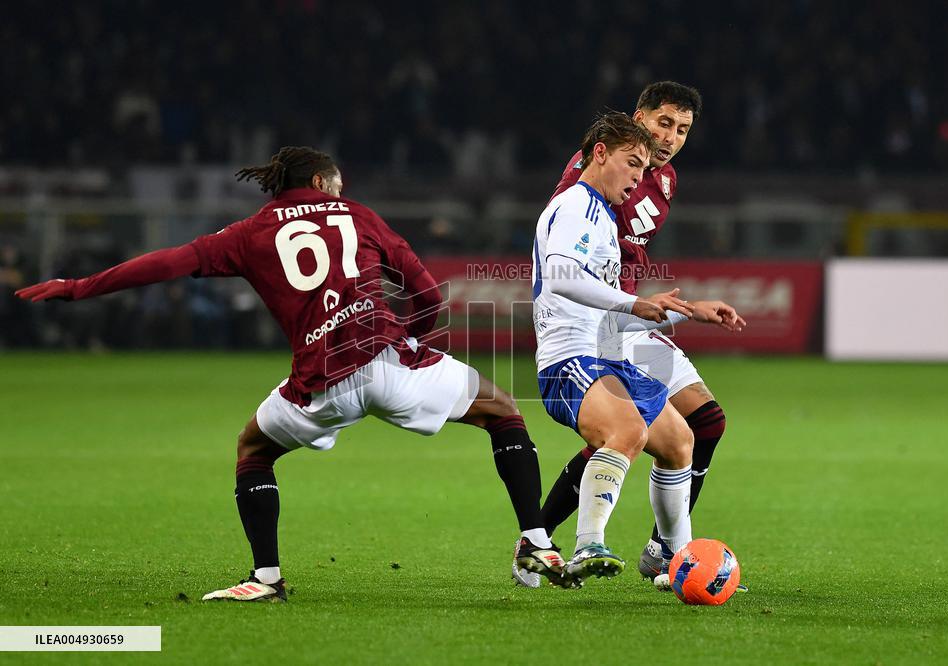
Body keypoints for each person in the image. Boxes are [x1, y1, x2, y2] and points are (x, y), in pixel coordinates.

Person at [16, 146, 567, 601]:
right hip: (393, 363)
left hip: (322, 384)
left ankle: (266, 580)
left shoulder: (247, 234)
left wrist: (78, 287)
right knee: (503, 411)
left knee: (252, 450)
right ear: (324, 181)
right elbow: (427, 295)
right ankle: (536, 539)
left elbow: (166, 263)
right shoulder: (358, 214)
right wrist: (414, 343)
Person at [516, 82, 746, 588]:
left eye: (682, 130)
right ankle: (553, 539)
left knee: (692, 430)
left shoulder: (661, 183)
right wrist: (633, 304)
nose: (670, 139)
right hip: (600, 324)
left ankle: (670, 551)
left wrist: (683, 310)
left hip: (627, 321)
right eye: (663, 124)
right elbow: (564, 265)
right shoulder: (587, 187)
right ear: (637, 118)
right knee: (624, 432)